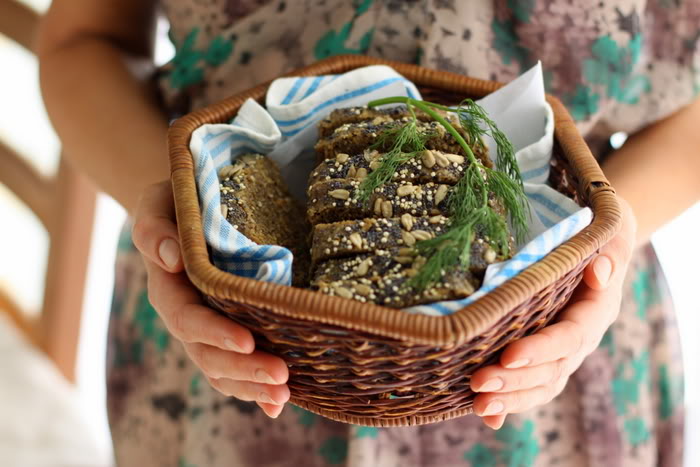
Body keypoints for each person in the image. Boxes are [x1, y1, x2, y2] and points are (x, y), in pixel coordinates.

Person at [37, 1, 698, 465]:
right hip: (221, 341)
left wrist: (601, 238)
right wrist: (182, 211)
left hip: (553, 354)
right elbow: (82, 41)